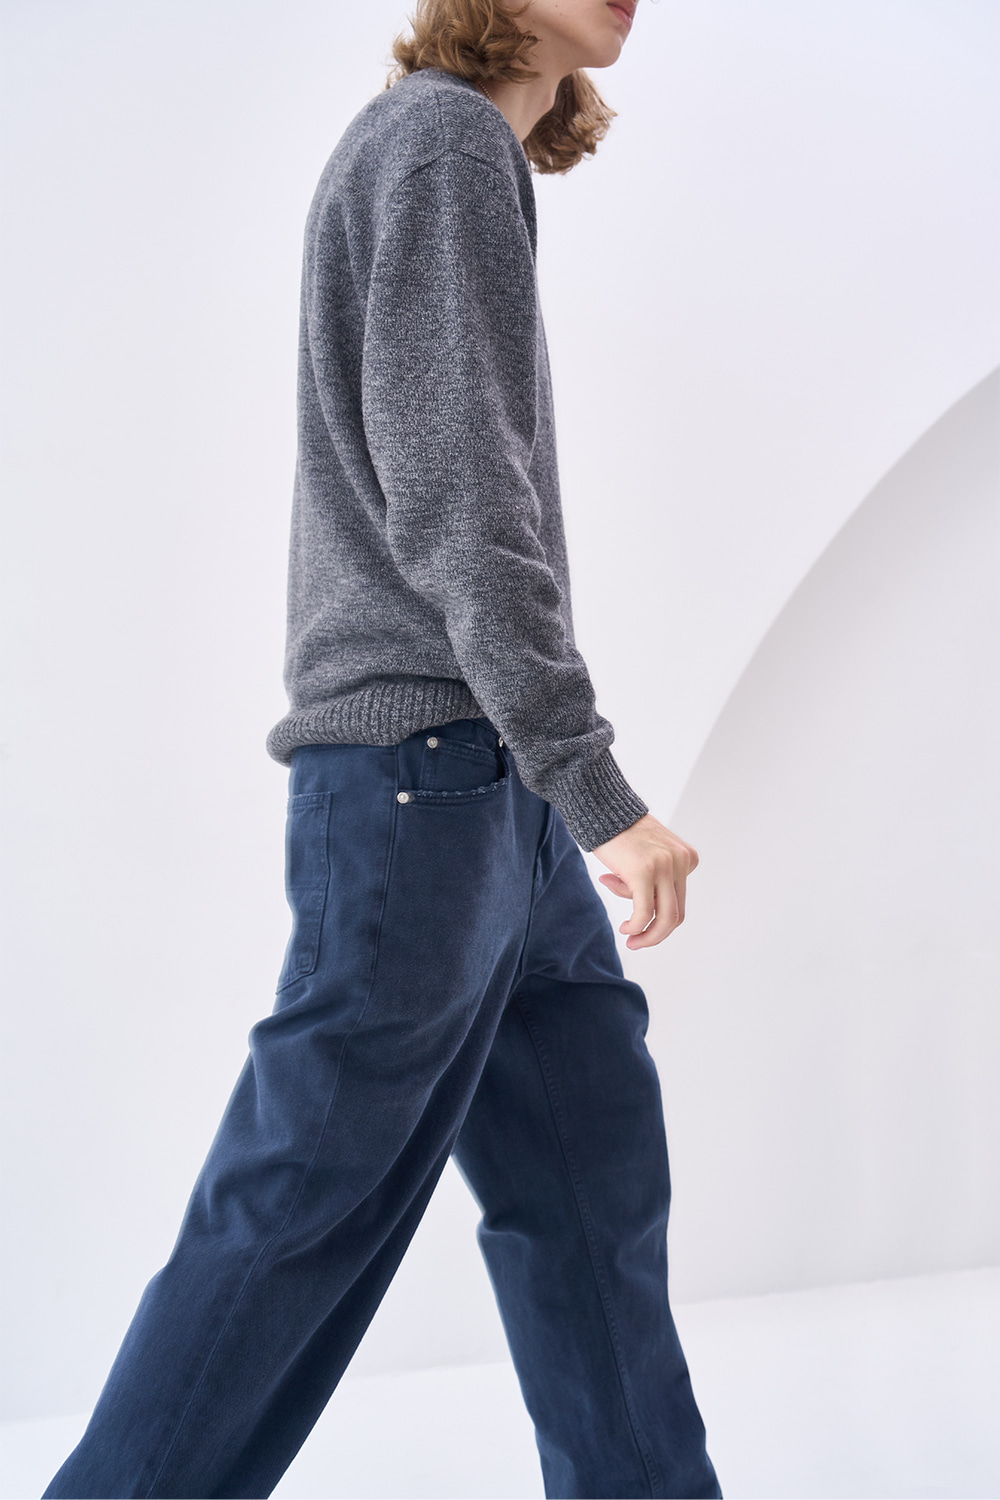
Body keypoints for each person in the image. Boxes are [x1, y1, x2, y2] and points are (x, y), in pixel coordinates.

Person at [42, 1, 723, 1496]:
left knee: (591, 1186)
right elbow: (459, 498)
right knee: (296, 1206)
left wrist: (551, 786)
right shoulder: (438, 143)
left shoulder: (469, 157)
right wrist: (593, 784)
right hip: (432, 774)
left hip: (488, 783)